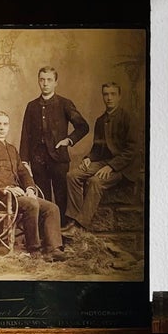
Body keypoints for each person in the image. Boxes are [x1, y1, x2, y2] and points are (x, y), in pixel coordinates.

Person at [0, 111, 61, 256]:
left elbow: (23, 172)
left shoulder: (11, 149)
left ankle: (54, 249)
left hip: (16, 197)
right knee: (31, 204)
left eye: (5, 124)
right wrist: (6, 188)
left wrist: (30, 188)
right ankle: (34, 250)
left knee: (52, 208)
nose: (2, 128)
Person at [19, 67, 88, 220]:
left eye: (49, 80)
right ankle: (45, 232)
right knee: (42, 198)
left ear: (56, 82)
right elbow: (25, 135)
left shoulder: (64, 103)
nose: (45, 83)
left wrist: (68, 140)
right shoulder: (32, 106)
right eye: (42, 80)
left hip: (59, 159)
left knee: (61, 197)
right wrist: (24, 160)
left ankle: (61, 230)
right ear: (38, 81)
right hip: (37, 160)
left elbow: (83, 127)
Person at [67, 81, 135, 230]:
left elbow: (132, 150)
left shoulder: (127, 118)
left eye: (113, 94)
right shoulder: (100, 120)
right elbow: (97, 149)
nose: (109, 98)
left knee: (95, 181)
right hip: (104, 162)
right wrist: (88, 158)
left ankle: (80, 225)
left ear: (119, 96)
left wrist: (111, 166)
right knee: (72, 175)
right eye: (106, 94)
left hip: (123, 167)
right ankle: (74, 218)